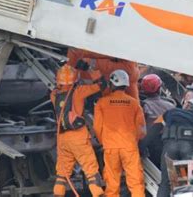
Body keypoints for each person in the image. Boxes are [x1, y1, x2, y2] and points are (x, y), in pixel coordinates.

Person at [51, 64, 106, 197]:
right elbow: (102, 84)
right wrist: (87, 70)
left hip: (63, 138)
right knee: (91, 172)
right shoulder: (79, 92)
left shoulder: (54, 95)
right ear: (75, 80)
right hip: (78, 137)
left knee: (62, 174)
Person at [93, 69, 146, 197]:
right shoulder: (134, 103)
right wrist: (134, 140)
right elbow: (142, 129)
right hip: (129, 147)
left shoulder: (102, 103)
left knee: (112, 182)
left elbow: (97, 127)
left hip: (110, 147)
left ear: (111, 84)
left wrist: (104, 141)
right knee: (136, 181)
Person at [150, 97, 193, 197]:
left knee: (165, 183)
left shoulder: (170, 113)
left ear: (188, 105)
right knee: (183, 183)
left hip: (169, 150)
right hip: (187, 151)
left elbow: (154, 130)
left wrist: (141, 147)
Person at [67, 48, 140, 99]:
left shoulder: (124, 42)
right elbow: (69, 67)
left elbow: (131, 71)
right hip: (84, 92)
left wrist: (95, 63)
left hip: (115, 93)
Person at [140, 74, 175, 167]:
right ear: (159, 88)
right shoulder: (171, 105)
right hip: (168, 142)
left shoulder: (143, 106)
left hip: (149, 144)